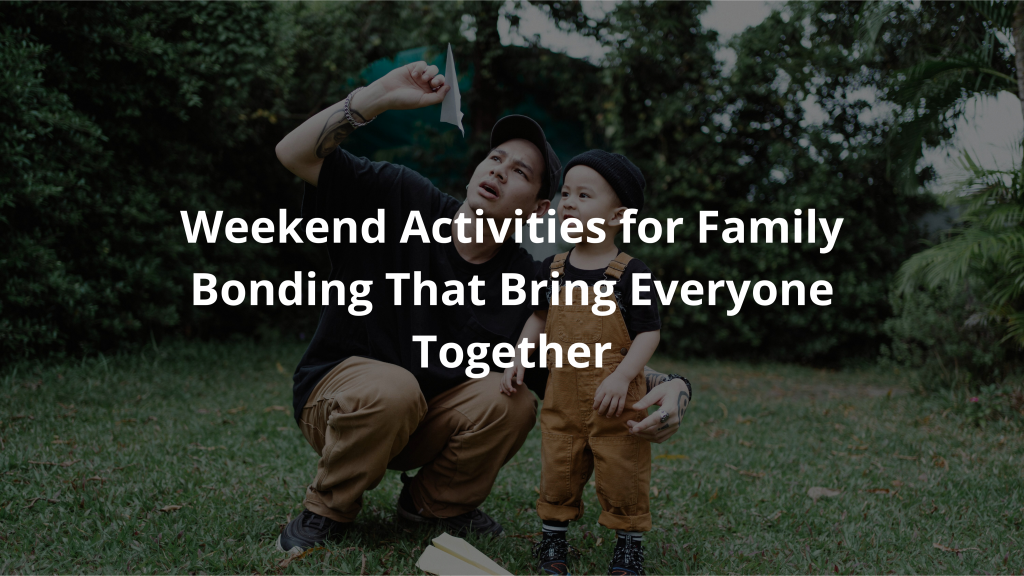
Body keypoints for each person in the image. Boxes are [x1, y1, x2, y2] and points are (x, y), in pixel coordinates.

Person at [273, 60, 692, 554]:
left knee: (511, 401)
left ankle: (433, 504)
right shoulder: (401, 197)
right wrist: (377, 96)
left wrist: (677, 388)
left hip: (424, 419)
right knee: (394, 387)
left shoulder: (528, 280)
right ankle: (326, 509)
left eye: (520, 172)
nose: (499, 169)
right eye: (496, 157)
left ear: (539, 208)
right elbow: (292, 153)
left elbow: (586, 356)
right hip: (340, 403)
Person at [503, 151, 670, 575]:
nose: (569, 203)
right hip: (562, 396)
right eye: (565, 193)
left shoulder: (632, 272)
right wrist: (520, 355)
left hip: (616, 399)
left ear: (618, 215)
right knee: (558, 467)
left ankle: (628, 546)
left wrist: (624, 376)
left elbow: (649, 331)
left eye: (584, 194)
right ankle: (553, 544)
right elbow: (538, 318)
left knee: (622, 472)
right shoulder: (552, 269)